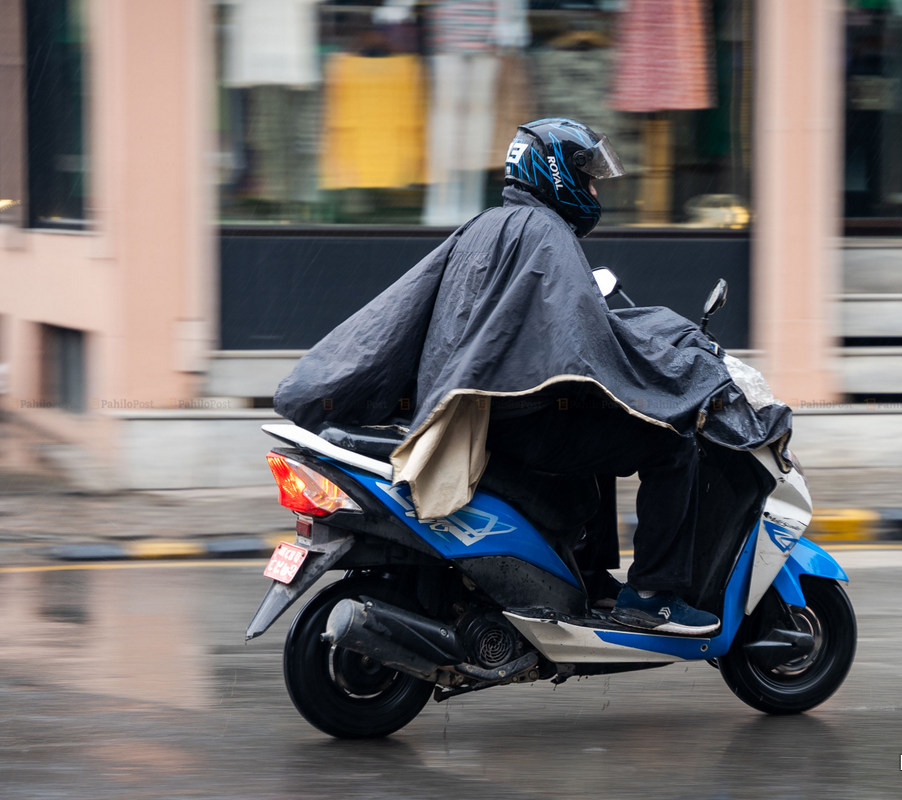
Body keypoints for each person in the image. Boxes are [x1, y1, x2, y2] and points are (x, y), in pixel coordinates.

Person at [275, 118, 732, 636]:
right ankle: (655, 596)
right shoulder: (546, 235)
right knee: (671, 443)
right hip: (524, 423)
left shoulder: (486, 224)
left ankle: (589, 575)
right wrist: (678, 369)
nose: (595, 189)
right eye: (587, 176)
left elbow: (399, 315)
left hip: (486, 416)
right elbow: (589, 340)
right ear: (555, 173)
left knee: (607, 428)